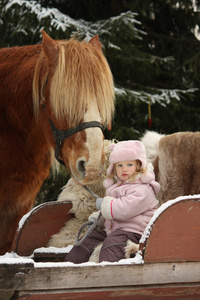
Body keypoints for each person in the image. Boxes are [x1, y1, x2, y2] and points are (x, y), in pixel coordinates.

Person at [65, 140, 160, 263]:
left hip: (135, 233)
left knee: (111, 244)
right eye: (119, 165)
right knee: (89, 239)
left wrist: (105, 205)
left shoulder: (143, 189)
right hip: (114, 231)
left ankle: (108, 273)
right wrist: (100, 217)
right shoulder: (117, 187)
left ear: (139, 166)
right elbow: (112, 213)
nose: (124, 169)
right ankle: (70, 266)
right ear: (113, 168)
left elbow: (125, 208)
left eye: (129, 165)